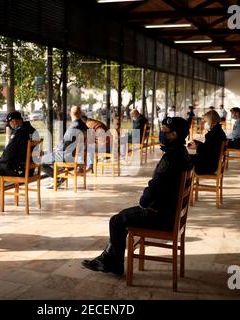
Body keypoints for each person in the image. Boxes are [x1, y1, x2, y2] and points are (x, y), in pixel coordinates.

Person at [82, 117, 193, 276]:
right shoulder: (182, 153)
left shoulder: (171, 157)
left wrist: (143, 203)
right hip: (170, 213)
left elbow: (155, 186)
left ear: (174, 134)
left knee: (116, 220)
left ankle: (113, 263)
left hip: (160, 215)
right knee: (122, 216)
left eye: (164, 131)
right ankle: (109, 259)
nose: (161, 134)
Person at [42, 106, 88, 189]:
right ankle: (59, 178)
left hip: (67, 156)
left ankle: (58, 178)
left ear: (70, 113)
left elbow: (65, 144)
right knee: (51, 156)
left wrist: (57, 149)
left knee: (40, 162)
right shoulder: (84, 126)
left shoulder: (74, 127)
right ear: (81, 114)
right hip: (76, 156)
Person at [188, 110, 227, 175]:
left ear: (211, 120)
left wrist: (197, 146)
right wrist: (198, 144)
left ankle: (184, 181)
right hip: (213, 162)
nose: (206, 123)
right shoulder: (219, 131)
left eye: (207, 121)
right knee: (188, 157)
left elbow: (208, 150)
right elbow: (210, 147)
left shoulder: (215, 133)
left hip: (208, 165)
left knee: (185, 158)